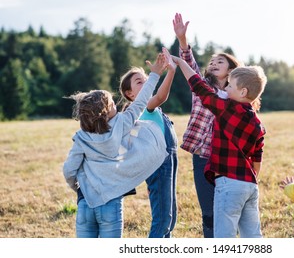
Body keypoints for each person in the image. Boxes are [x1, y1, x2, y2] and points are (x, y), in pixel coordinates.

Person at [164, 47, 267, 238]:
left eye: (230, 86)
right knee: (253, 236)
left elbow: (199, 87)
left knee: (223, 236)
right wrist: (253, 179)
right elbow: (257, 156)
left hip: (227, 184)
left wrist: (180, 62)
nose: (226, 90)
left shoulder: (226, 109)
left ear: (242, 91)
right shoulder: (258, 123)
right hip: (250, 185)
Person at [63, 53, 169, 238]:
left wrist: (78, 189)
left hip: (85, 203)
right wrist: (155, 75)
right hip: (111, 203)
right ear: (107, 111)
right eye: (113, 104)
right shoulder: (123, 122)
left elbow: (69, 170)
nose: (116, 105)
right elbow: (142, 101)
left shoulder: (81, 137)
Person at [173, 13, 241, 237]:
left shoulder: (237, 97)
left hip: (228, 158)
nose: (213, 63)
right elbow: (189, 63)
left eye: (219, 61)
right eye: (211, 61)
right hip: (202, 156)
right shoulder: (201, 88)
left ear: (231, 70)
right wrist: (183, 40)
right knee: (208, 211)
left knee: (228, 210)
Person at [118, 55, 178, 238]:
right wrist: (171, 71)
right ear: (130, 94)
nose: (146, 81)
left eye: (147, 79)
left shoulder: (149, 107)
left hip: (168, 160)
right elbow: (161, 95)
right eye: (139, 81)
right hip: (158, 162)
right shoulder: (141, 106)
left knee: (170, 216)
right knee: (162, 218)